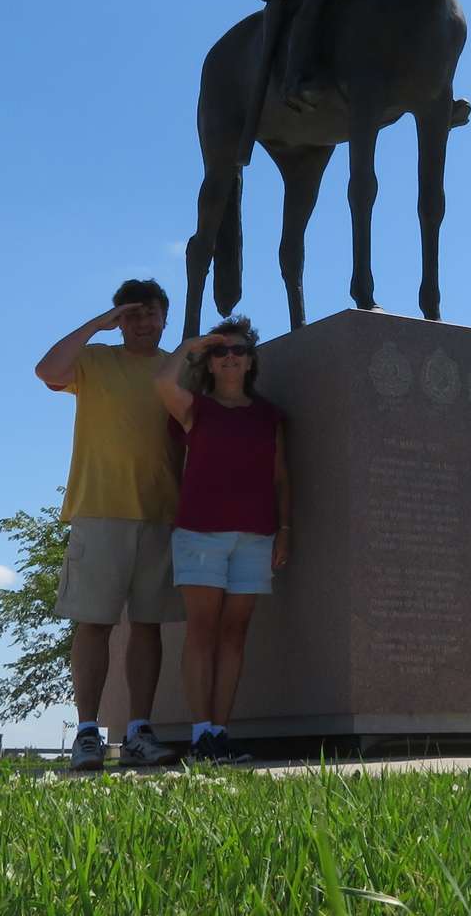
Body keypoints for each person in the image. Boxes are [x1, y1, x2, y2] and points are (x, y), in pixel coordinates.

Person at [34, 279, 184, 772]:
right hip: (98, 509)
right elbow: (47, 370)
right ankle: (86, 733)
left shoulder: (175, 370)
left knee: (147, 626)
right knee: (93, 623)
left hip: (160, 510)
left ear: (165, 317)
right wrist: (96, 324)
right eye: (132, 314)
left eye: (151, 314)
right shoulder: (95, 360)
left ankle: (139, 730)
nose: (142, 323)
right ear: (120, 319)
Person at [154, 316, 291, 764]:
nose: (230, 356)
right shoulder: (196, 409)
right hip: (200, 533)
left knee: (235, 634)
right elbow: (161, 382)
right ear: (209, 363)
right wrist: (190, 345)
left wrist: (285, 529)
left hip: (255, 535)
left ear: (251, 360)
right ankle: (199, 736)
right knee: (202, 631)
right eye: (220, 352)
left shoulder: (269, 415)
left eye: (238, 350)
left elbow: (281, 478)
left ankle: (219, 731)